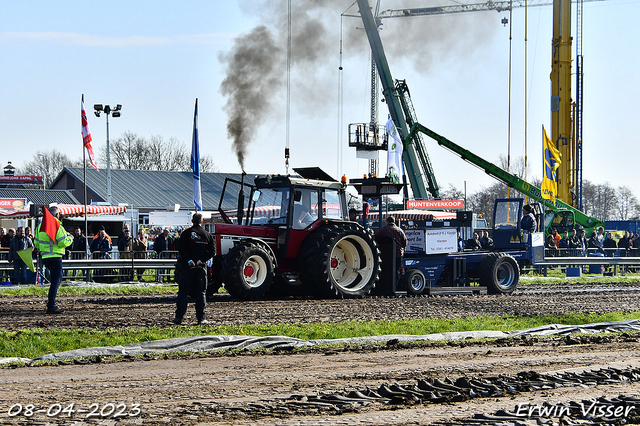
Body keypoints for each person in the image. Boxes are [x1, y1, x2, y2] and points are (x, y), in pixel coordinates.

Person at [173, 213, 215, 325]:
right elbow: (212, 251)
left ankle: (179, 317)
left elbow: (181, 249)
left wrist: (189, 260)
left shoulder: (186, 233)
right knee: (201, 293)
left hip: (187, 268)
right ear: (202, 221)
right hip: (201, 268)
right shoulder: (207, 235)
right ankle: (201, 318)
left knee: (183, 292)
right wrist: (201, 260)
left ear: (192, 221)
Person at [33, 206, 73, 314]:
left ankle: (51, 303)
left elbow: (36, 243)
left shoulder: (40, 226)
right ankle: (51, 305)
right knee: (55, 282)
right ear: (57, 215)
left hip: (45, 257)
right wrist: (70, 239)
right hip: (55, 257)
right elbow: (63, 242)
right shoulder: (57, 225)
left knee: (56, 280)